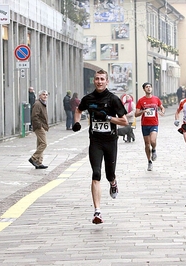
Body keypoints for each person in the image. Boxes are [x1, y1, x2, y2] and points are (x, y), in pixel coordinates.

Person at [72, 69, 128, 224]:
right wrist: (76, 122)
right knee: (96, 173)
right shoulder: (88, 99)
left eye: (102, 79)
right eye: (97, 79)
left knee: (110, 174)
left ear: (107, 81)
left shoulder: (113, 99)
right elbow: (78, 110)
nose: (99, 81)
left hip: (110, 141)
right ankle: (97, 212)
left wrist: (108, 117)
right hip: (95, 141)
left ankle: (113, 183)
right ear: (94, 81)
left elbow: (125, 122)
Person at [135, 82, 165, 171]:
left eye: (150, 87)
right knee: (147, 144)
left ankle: (154, 149)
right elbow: (136, 114)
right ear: (144, 89)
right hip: (145, 124)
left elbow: (162, 107)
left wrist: (162, 112)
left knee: (153, 140)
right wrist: (143, 112)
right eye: (146, 87)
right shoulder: (141, 101)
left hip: (154, 123)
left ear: (151, 89)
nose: (148, 88)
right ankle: (149, 161)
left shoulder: (156, 99)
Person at [28, 90, 49, 169]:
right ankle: (33, 158)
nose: (45, 96)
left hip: (42, 126)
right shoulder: (37, 104)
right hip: (39, 127)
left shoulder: (42, 103)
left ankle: (38, 162)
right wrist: (40, 126)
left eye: (46, 95)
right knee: (44, 144)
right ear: (39, 95)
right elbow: (34, 116)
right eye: (43, 94)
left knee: (40, 144)